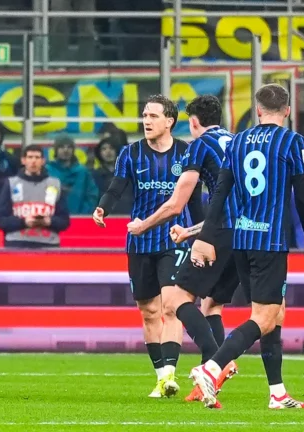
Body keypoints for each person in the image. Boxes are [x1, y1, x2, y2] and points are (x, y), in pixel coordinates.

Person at [189, 83, 304, 409]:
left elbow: (219, 193)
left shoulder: (238, 141)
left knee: (275, 313)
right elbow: (301, 194)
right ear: (287, 111)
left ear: (257, 110)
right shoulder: (292, 141)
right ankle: (212, 368)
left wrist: (205, 236)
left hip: (242, 239)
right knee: (265, 316)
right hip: (270, 241)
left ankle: (277, 393)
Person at [126, 95, 240, 402]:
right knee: (212, 305)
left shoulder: (199, 145)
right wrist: (189, 231)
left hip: (219, 235)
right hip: (247, 235)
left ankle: (218, 361)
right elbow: (232, 203)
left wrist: (143, 225)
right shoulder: (238, 141)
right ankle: (208, 383)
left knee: (175, 300)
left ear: (192, 122)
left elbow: (176, 204)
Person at [92, 94, 204, 398]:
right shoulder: (130, 153)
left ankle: (170, 373)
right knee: (149, 311)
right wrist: (103, 207)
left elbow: (195, 199)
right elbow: (116, 187)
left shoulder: (188, 153)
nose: (146, 121)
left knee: (171, 305)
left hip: (174, 239)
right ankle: (161, 378)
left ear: (169, 121)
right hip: (139, 240)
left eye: (153, 116)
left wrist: (201, 235)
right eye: (144, 115)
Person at [0, 145, 71, 248]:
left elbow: (65, 221)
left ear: (43, 161)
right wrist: (24, 222)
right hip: (17, 243)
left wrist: (49, 221)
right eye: (30, 157)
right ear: (23, 160)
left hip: (48, 244)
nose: (33, 161)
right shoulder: (11, 183)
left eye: (37, 157)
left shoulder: (55, 184)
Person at [46, 135, 99, 215]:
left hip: (80, 218)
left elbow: (92, 196)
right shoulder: (48, 171)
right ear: (56, 150)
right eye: (61, 147)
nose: (66, 150)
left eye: (69, 147)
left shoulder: (83, 172)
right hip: (53, 218)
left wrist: (84, 214)